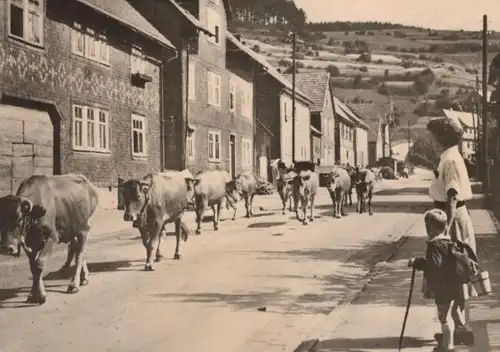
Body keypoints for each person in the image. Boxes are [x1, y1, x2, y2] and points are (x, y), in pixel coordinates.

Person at [427, 117, 476, 344]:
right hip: (451, 218)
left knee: (454, 269)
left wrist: (446, 230)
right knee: (453, 272)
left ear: (440, 137)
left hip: (452, 219)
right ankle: (457, 325)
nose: (431, 141)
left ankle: (459, 325)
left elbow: (453, 196)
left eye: (432, 136)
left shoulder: (451, 160)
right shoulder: (448, 157)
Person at [410, 209, 475, 352]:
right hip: (454, 286)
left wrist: (418, 263)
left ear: (429, 227)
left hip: (443, 288)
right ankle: (449, 342)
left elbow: (434, 266)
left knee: (444, 318)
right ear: (445, 226)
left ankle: (448, 346)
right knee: (449, 314)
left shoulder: (434, 246)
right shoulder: (449, 242)